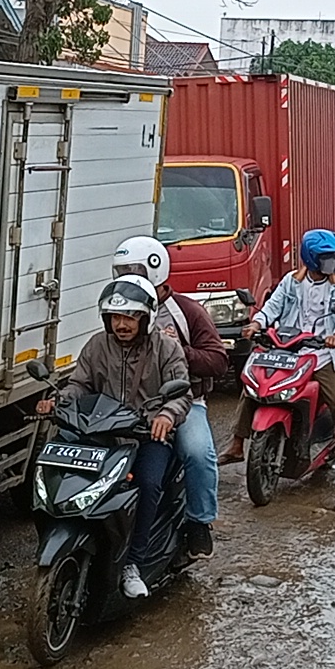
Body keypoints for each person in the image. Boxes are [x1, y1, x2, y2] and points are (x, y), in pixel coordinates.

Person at [35, 275, 190, 598]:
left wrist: (166, 414)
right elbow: (80, 384)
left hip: (145, 436)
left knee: (146, 484)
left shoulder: (166, 347)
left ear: (145, 318)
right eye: (116, 317)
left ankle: (133, 562)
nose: (121, 324)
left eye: (130, 317)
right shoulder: (97, 345)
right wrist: (59, 400)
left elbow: (181, 394)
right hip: (101, 436)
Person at [218, 229, 335, 493]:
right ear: (313, 259)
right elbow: (273, 306)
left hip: (321, 356)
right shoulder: (291, 282)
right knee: (253, 385)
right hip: (287, 351)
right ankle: (238, 444)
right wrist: (257, 323)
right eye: (329, 258)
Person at [113, 235, 228, 560]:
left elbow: (218, 361)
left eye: (133, 270)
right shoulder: (123, 310)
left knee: (197, 453)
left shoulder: (187, 311)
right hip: (132, 404)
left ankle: (199, 521)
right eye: (121, 271)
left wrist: (181, 350)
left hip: (185, 400)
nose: (127, 279)